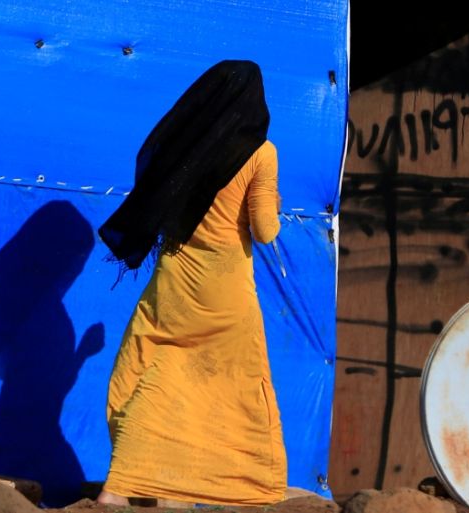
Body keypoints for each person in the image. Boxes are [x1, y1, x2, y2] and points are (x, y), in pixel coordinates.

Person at [96, 60, 286, 507]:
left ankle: (149, 487)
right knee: (231, 386)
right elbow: (263, 230)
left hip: (175, 279)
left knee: (153, 366)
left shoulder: (191, 146)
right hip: (226, 289)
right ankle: (129, 485)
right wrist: (274, 202)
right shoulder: (261, 153)